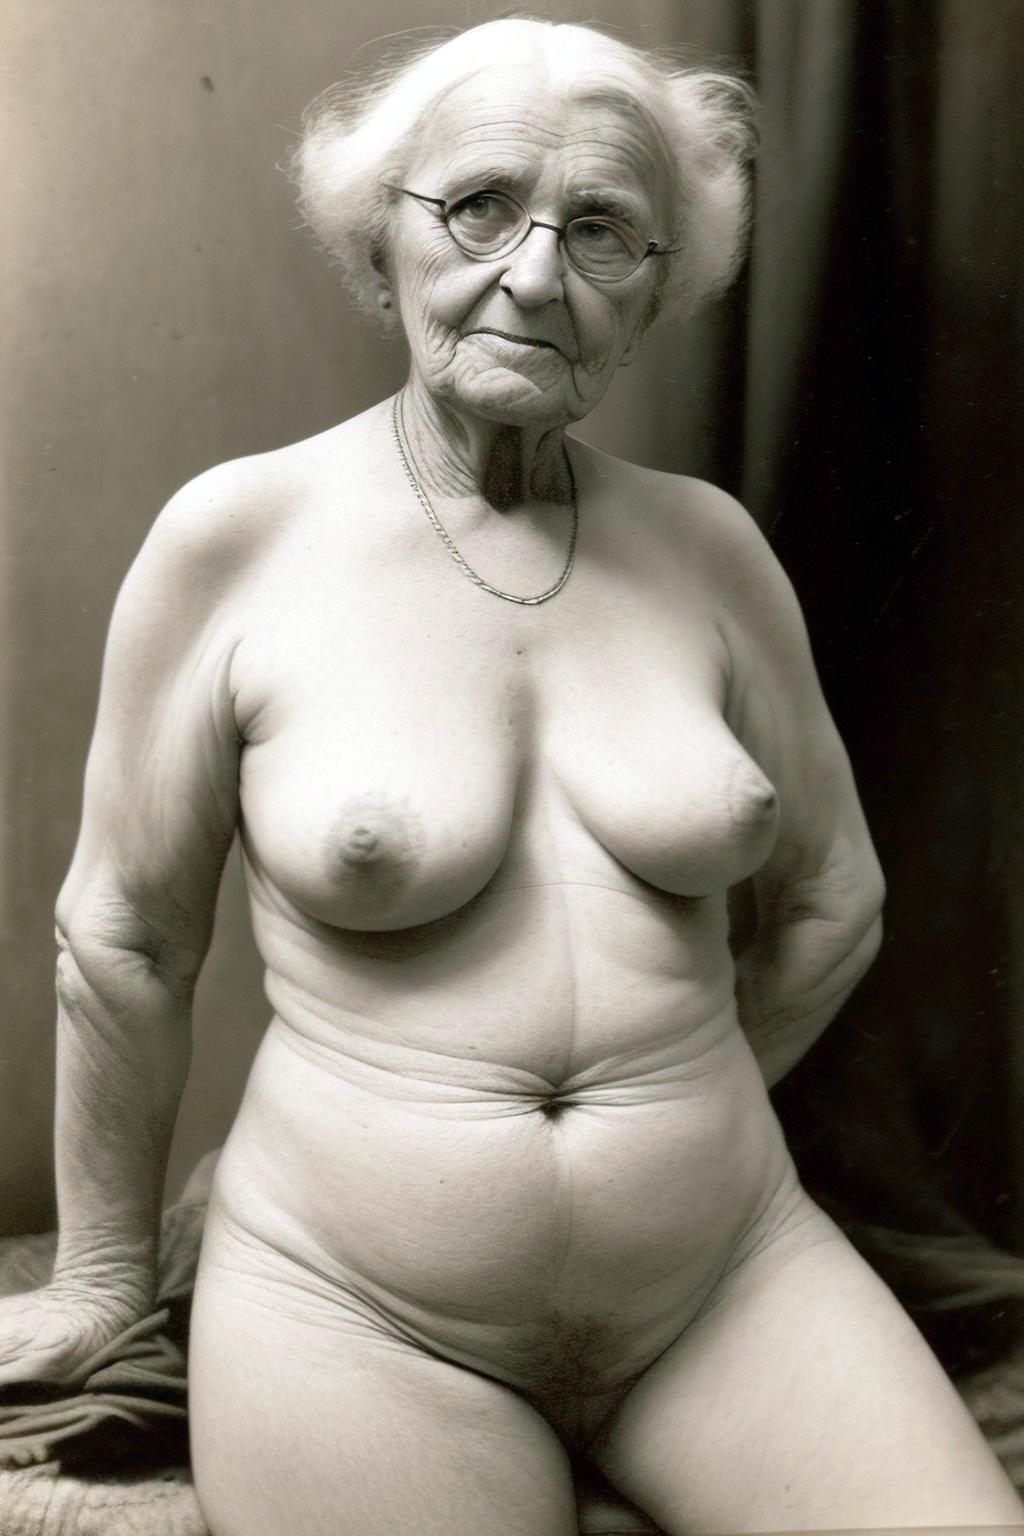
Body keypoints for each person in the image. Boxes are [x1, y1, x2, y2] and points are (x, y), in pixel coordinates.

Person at [2, 17, 1021, 1535]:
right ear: (382, 243)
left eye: (602, 230)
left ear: (658, 288)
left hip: (731, 1282)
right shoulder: (238, 538)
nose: (538, 278)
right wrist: (101, 1276)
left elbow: (835, 900)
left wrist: (658, 1117)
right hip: (356, 1309)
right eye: (481, 207)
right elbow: (128, 940)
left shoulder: (712, 550)